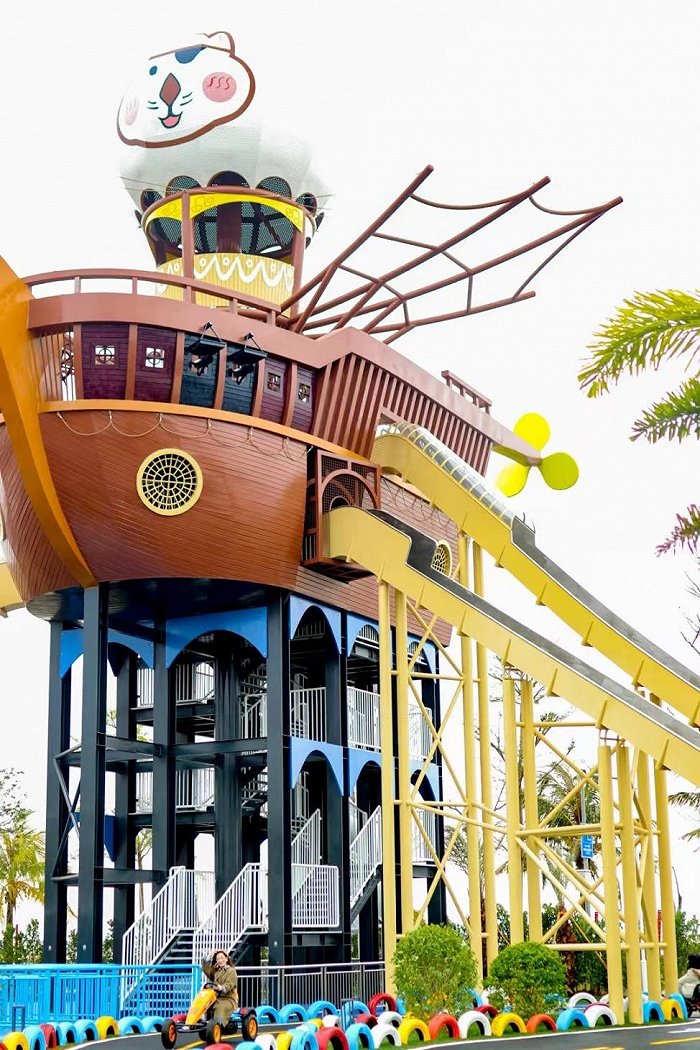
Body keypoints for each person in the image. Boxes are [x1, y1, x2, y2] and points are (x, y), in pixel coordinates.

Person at [202, 949, 239, 1025]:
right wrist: (210, 956)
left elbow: (229, 985)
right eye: (218, 959)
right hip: (215, 998)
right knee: (203, 1004)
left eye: (222, 958)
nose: (220, 960)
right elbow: (206, 969)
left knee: (220, 1007)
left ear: (226, 959)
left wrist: (222, 987)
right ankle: (201, 1022)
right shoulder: (217, 972)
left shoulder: (231, 971)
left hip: (228, 999)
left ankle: (218, 1026)